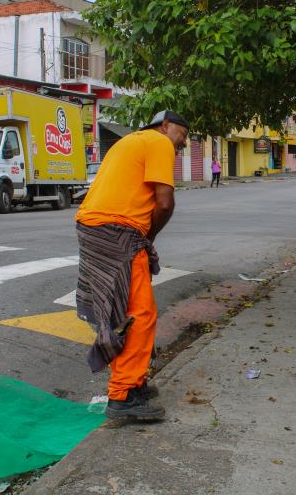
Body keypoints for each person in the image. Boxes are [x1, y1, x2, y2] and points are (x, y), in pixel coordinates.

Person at [75, 110, 190, 421]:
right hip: (116, 231)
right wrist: (147, 238)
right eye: (181, 136)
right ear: (165, 125)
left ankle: (133, 381)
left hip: (92, 226)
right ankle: (123, 394)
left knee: (121, 310)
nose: (182, 145)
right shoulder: (159, 141)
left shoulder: (130, 141)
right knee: (140, 313)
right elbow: (165, 202)